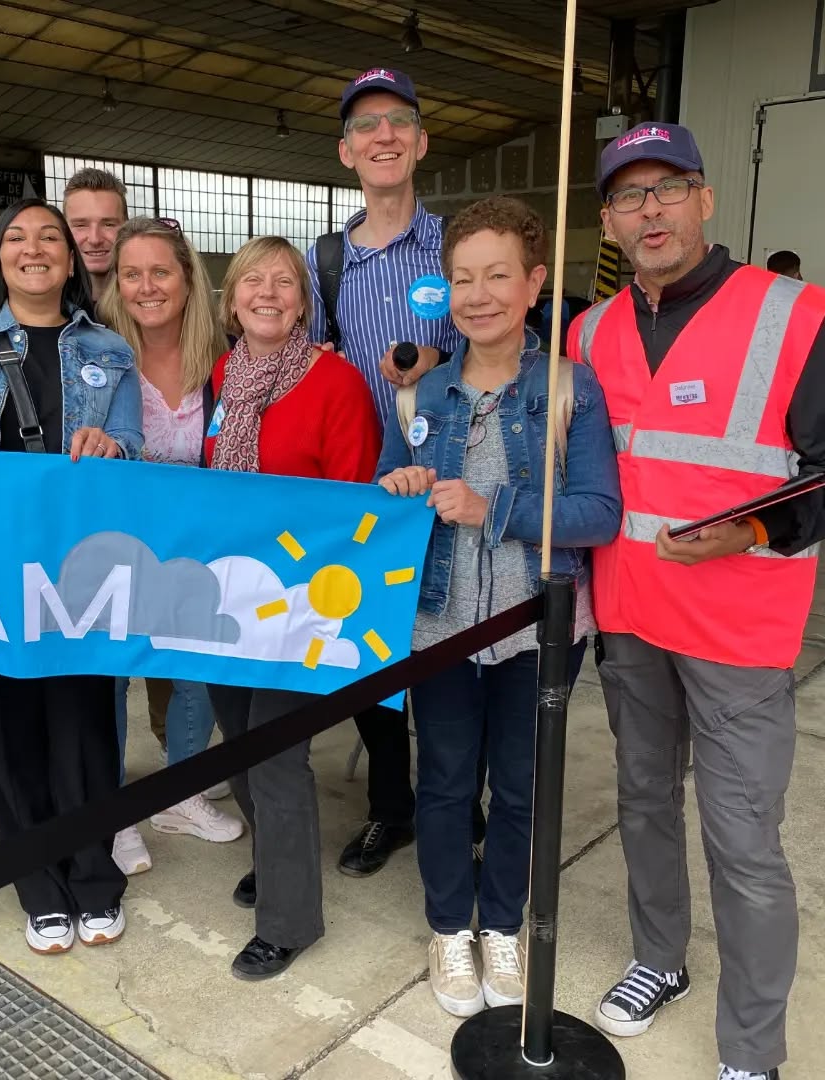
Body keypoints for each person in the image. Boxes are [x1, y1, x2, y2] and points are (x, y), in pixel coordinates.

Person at [568, 121, 825, 1080]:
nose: (649, 209)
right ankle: (659, 959)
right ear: (611, 219)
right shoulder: (589, 330)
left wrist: (744, 531)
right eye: (629, 195)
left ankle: (752, 1049)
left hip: (740, 629)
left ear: (705, 199)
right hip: (628, 618)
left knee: (743, 839)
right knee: (643, 803)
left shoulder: (791, 315)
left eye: (668, 188)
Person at [377, 196, 621, 1019]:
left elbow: (600, 513)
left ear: (535, 281)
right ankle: (449, 928)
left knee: (519, 787)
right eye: (462, 278)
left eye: (498, 276)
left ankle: (500, 925)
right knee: (445, 783)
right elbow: (384, 501)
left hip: (539, 632)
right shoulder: (421, 397)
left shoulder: (568, 390)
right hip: (440, 624)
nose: (478, 295)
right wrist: (400, 485)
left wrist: (497, 509)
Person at [0, 196, 141, 956]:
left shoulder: (110, 349)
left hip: (79, 570)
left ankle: (93, 878)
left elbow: (134, 443)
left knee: (81, 727)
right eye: (17, 237)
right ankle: (38, 887)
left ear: (72, 258)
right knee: (8, 731)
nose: (35, 248)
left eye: (51, 236)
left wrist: (112, 447)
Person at [204, 235, 381, 980]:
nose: (268, 292)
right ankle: (276, 858)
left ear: (305, 302)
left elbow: (353, 500)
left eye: (285, 281)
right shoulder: (224, 374)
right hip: (226, 595)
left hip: (301, 604)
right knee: (239, 744)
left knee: (277, 757)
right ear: (232, 297)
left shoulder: (336, 382)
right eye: (254, 280)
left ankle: (290, 919)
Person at [307, 66, 464, 879]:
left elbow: (507, 340)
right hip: (360, 486)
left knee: (447, 651)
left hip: (452, 482)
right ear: (346, 151)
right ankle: (392, 807)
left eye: (399, 120)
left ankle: (453, 800)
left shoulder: (460, 247)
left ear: (421, 141)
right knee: (367, 654)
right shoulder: (325, 260)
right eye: (366, 126)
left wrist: (442, 355)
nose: (384, 136)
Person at [96, 216, 243, 870]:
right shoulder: (96, 356)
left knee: (197, 671)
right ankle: (111, 812)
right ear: (115, 284)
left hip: (199, 542)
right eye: (132, 274)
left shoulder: (229, 360)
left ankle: (179, 792)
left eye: (161, 271)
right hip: (114, 539)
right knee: (110, 677)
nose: (147, 286)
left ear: (188, 279)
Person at [63, 167, 129, 304]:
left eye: (108, 224)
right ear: (64, 229)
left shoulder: (149, 299)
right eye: (81, 225)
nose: (95, 239)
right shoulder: (46, 308)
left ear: (127, 227)